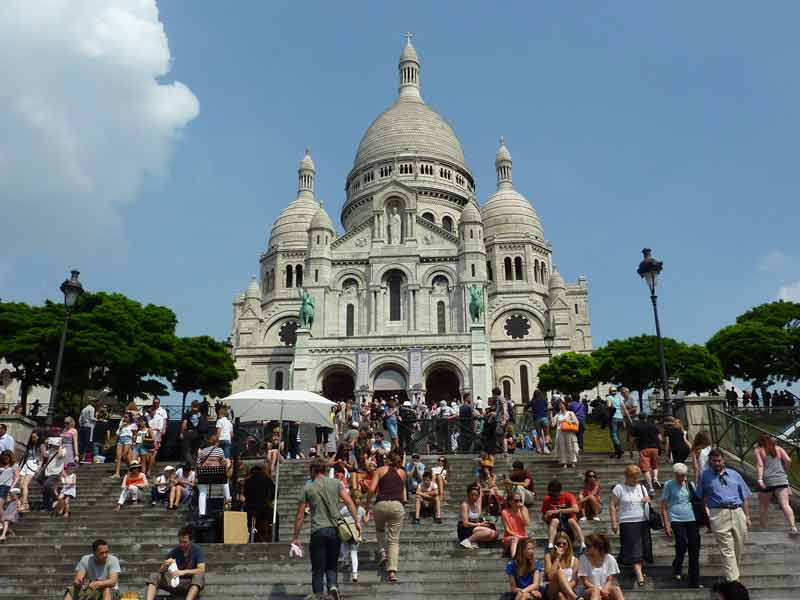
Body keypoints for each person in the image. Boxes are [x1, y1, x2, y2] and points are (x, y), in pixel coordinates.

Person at [292, 458, 361, 600]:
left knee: (318, 568)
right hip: (334, 531)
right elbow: (349, 502)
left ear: (313, 470)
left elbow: (300, 516)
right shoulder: (336, 483)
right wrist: (357, 521)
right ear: (324, 469)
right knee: (331, 565)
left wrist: (296, 537)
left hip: (318, 531)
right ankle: (333, 588)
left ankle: (318, 595)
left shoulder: (308, 487)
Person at [697, 449, 752, 581]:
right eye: (714, 461)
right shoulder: (705, 476)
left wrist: (748, 516)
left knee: (738, 546)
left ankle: (732, 574)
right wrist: (708, 517)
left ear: (724, 460)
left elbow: (744, 496)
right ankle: (733, 581)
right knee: (727, 549)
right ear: (710, 461)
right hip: (718, 513)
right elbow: (701, 498)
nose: (717, 463)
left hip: (738, 511)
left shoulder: (735, 475)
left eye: (719, 460)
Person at [365, 449, 406, 583]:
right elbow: (402, 490)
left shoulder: (380, 470)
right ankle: (392, 572)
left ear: (388, 459)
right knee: (394, 540)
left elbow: (371, 489)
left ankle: (382, 551)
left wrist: (367, 505)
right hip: (397, 505)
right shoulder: (402, 473)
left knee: (380, 529)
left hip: (381, 504)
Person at [660, 462, 702, 588]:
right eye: (679, 476)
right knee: (682, 543)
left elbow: (697, 501)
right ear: (675, 475)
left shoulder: (690, 484)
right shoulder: (668, 485)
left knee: (694, 547)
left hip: (691, 518)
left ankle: (694, 580)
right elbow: (663, 506)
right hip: (676, 518)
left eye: (684, 475)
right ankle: (677, 565)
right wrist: (666, 525)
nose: (682, 478)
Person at [610, 464, 651, 587]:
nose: (636, 480)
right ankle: (639, 573)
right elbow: (612, 505)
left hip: (642, 521)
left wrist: (648, 499)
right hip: (627, 522)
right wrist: (614, 521)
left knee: (642, 547)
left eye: (637, 477)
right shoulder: (619, 488)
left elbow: (647, 500)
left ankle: (635, 568)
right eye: (633, 477)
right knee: (635, 548)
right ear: (627, 476)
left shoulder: (641, 487)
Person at [144, 527, 206, 600]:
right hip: (175, 582)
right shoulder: (175, 551)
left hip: (190, 584)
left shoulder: (197, 550)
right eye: (180, 542)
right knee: (154, 576)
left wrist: (183, 572)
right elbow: (161, 571)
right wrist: (165, 565)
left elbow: (201, 569)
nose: (182, 544)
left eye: (185, 542)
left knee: (199, 576)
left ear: (191, 541)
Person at [754, 432, 797, 534]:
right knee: (785, 504)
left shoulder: (758, 450)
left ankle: (764, 527)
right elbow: (788, 460)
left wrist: (760, 479)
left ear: (760, 441)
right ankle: (793, 526)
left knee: (764, 505)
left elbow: (760, 465)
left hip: (767, 480)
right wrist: (784, 470)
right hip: (781, 479)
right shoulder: (779, 449)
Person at [541, 479, 585, 553]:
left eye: (554, 495)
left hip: (569, 523)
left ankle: (582, 543)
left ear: (559, 491)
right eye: (550, 494)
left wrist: (558, 511)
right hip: (556, 524)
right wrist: (546, 517)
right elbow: (543, 517)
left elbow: (576, 509)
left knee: (571, 521)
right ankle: (551, 544)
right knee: (554, 521)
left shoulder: (568, 496)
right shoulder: (547, 499)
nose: (552, 497)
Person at [577, 533, 623, 600]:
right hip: (589, 590)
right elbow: (585, 582)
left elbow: (609, 580)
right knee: (595, 591)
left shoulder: (609, 558)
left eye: (589, 546)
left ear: (597, 548)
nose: (586, 548)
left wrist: (604, 589)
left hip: (605, 588)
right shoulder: (583, 558)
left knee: (616, 589)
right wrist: (599, 590)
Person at [196, 435, 230, 516]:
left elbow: (198, 463)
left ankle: (202, 513)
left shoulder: (203, 451)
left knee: (202, 492)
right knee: (225, 483)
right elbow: (223, 462)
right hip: (216, 474)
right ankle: (229, 502)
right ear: (217, 442)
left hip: (204, 473)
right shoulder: (220, 450)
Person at [458, 484, 499, 549]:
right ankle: (467, 541)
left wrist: (485, 523)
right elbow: (465, 524)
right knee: (488, 532)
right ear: (468, 494)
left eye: (476, 495)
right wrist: (480, 524)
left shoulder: (476, 504)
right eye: (471, 495)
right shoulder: (465, 505)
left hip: (475, 527)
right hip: (465, 529)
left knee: (495, 534)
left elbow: (480, 492)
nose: (473, 497)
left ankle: (474, 540)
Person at [243, 464, 277, 542]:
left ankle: (253, 533)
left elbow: (245, 494)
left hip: (250, 509)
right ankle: (274, 537)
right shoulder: (267, 479)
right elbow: (274, 493)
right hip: (264, 509)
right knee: (275, 516)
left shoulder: (248, 480)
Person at [340, 491, 367, 583]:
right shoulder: (362, 510)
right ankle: (355, 573)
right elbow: (366, 521)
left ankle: (345, 560)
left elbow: (339, 517)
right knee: (354, 553)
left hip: (347, 531)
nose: (358, 500)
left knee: (344, 545)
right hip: (356, 533)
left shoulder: (345, 508)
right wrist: (368, 514)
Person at [629, 417, 662, 495]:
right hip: (654, 448)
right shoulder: (654, 426)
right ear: (646, 418)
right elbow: (660, 438)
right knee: (655, 465)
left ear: (639, 418)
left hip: (643, 449)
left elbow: (632, 439)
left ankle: (651, 488)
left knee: (645, 469)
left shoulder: (636, 427)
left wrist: (631, 450)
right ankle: (655, 478)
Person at [543, 531, 579, 600]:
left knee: (560, 595)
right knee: (559, 572)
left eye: (564, 543)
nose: (561, 545)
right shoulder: (548, 557)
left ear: (568, 545)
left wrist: (565, 589)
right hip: (552, 590)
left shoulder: (575, 560)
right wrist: (558, 557)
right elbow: (550, 576)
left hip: (568, 590)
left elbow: (574, 580)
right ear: (554, 545)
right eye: (558, 543)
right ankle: (576, 598)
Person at [16, 431, 44, 512]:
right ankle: (26, 503)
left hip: (34, 464)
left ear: (38, 437)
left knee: (25, 485)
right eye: (32, 437)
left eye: (35, 437)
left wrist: (39, 467)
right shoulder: (30, 446)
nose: (33, 439)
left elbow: (43, 457)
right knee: (21, 485)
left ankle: (23, 504)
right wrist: (20, 466)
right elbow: (25, 457)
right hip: (26, 464)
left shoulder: (41, 445)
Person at [502, 490, 530, 557]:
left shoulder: (524, 509)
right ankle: (513, 559)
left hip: (523, 536)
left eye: (520, 500)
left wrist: (522, 511)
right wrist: (518, 536)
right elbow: (507, 530)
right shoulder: (505, 512)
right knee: (515, 539)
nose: (519, 502)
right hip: (509, 537)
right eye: (516, 500)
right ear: (510, 502)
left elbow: (527, 523)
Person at [552, 400, 580, 468]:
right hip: (560, 433)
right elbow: (553, 424)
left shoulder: (570, 413)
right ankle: (564, 462)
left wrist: (568, 421)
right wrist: (550, 414)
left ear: (565, 405)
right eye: (559, 405)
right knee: (562, 447)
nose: (560, 406)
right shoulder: (558, 415)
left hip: (569, 432)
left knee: (571, 446)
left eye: (562, 405)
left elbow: (576, 422)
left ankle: (572, 461)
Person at [42, 437, 67, 512]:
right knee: (45, 489)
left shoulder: (63, 449)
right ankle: (47, 506)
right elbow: (45, 455)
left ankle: (56, 498)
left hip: (56, 472)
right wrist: (44, 445)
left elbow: (60, 456)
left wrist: (59, 446)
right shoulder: (51, 450)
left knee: (47, 485)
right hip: (48, 472)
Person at [606, 388, 630, 459]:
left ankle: (619, 449)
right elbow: (624, 409)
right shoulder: (619, 397)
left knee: (613, 434)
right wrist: (629, 419)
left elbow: (609, 406)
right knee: (617, 434)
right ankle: (617, 450)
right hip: (620, 417)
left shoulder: (609, 397)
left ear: (609, 391)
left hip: (613, 417)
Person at [180, 402, 203, 467]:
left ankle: (191, 464)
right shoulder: (200, 414)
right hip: (197, 433)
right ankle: (194, 464)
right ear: (198, 406)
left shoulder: (188, 413)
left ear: (192, 405)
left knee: (186, 450)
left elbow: (184, 423)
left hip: (188, 433)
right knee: (195, 450)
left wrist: (182, 433)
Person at [112, 413, 134, 478]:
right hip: (120, 439)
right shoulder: (121, 424)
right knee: (118, 457)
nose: (125, 418)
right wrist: (121, 427)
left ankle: (131, 469)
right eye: (124, 417)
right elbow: (117, 433)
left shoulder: (133, 425)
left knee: (125, 455)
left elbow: (134, 434)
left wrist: (133, 442)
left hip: (128, 439)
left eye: (126, 417)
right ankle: (117, 473)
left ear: (130, 418)